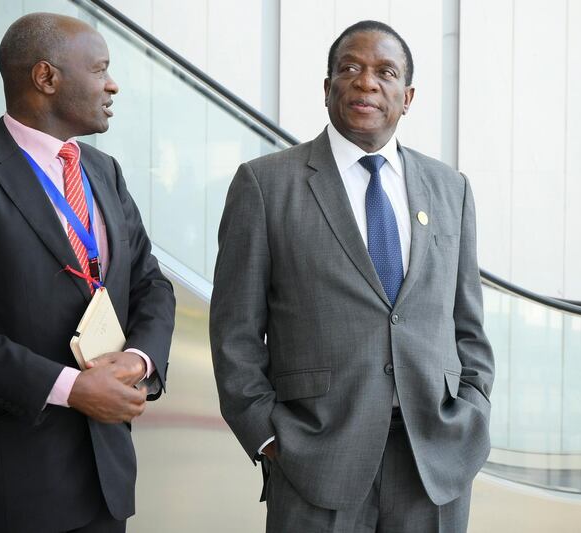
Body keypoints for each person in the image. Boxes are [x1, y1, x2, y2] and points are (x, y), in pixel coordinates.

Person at [210, 19, 494, 533]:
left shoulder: (451, 188)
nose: (367, 82)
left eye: (386, 72)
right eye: (350, 68)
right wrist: (267, 434)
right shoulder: (265, 184)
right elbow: (235, 332)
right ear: (326, 89)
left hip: (434, 457)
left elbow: (467, 320)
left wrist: (473, 407)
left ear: (407, 97)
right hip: (314, 457)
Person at [0, 12, 175, 532]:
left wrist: (138, 361)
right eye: (100, 70)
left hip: (105, 478)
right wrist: (69, 387)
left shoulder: (104, 171)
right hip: (15, 485)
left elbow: (151, 285)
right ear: (46, 78)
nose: (112, 84)